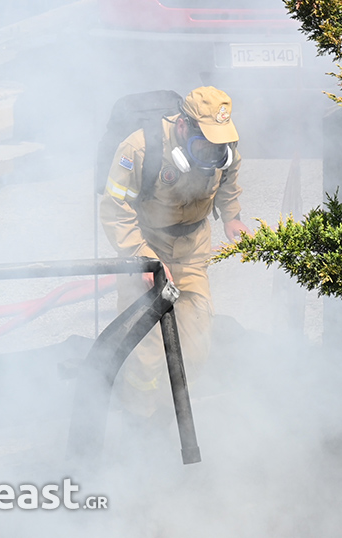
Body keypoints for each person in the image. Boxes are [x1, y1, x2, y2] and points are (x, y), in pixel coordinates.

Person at [99, 86, 250, 422]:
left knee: (196, 344)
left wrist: (232, 217)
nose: (213, 150)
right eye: (205, 140)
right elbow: (114, 206)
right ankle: (137, 419)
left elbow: (229, 181)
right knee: (146, 348)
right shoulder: (140, 149)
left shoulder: (225, 149)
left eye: (218, 141)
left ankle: (171, 418)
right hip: (147, 247)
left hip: (191, 249)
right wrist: (139, 254)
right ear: (184, 125)